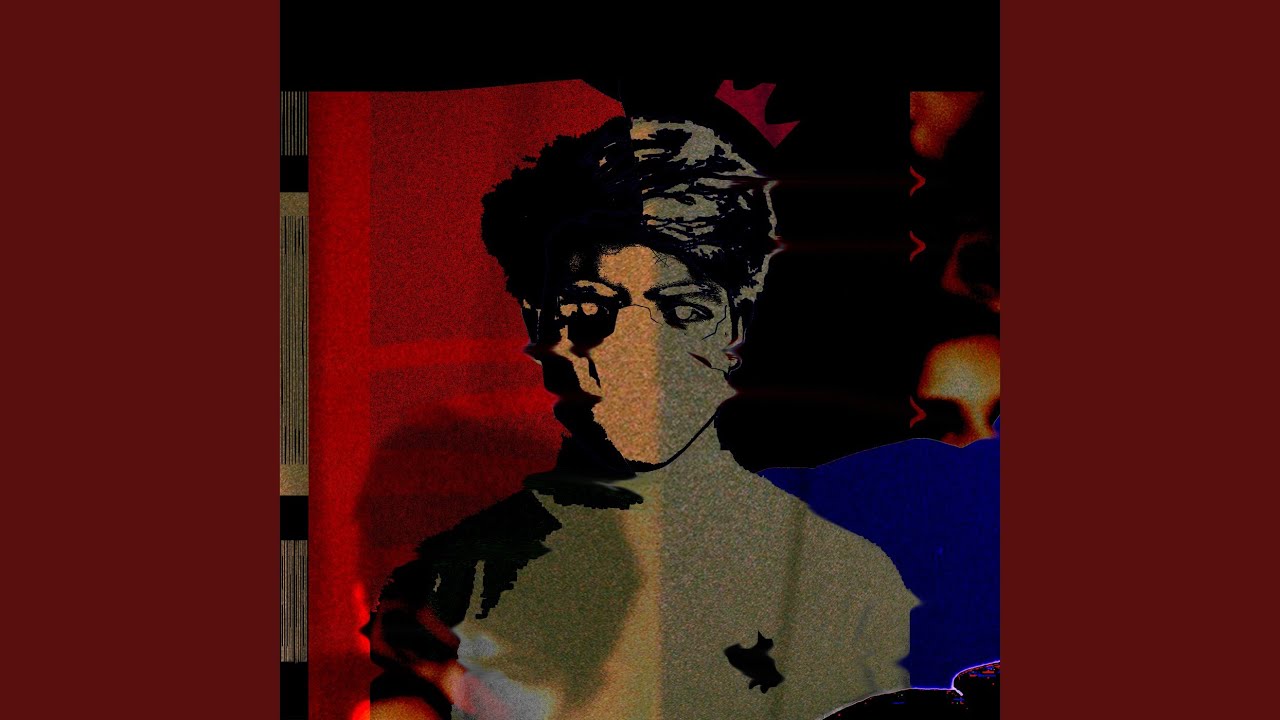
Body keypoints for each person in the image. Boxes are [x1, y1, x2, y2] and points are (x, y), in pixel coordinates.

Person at [364, 116, 917, 719]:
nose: (642, 353)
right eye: (591, 309)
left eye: (683, 309)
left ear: (737, 324)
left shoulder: (837, 581)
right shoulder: (457, 545)